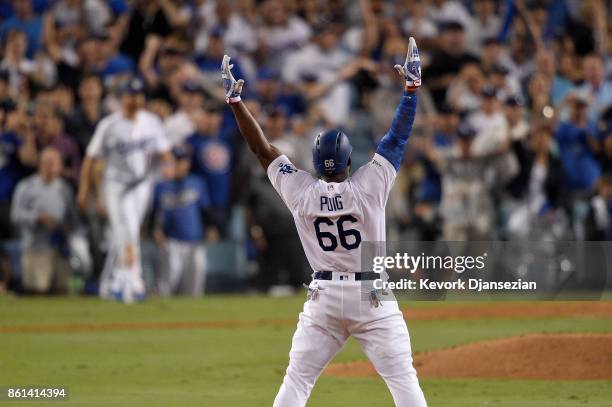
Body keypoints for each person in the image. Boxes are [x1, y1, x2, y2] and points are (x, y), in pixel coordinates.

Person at [221, 36, 426, 407]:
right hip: (372, 294)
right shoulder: (369, 185)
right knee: (403, 381)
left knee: (297, 383)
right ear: (349, 162)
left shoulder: (299, 191)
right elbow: (397, 138)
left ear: (315, 164)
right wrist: (411, 90)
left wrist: (236, 104)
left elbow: (261, 148)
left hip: (325, 298)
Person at [77, 78, 171, 303]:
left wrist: (168, 165)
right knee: (127, 230)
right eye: (130, 94)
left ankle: (111, 283)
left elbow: (164, 151)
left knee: (124, 233)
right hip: (116, 184)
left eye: (139, 94)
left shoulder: (151, 122)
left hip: (141, 185)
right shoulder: (109, 124)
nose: (135, 99)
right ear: (122, 98)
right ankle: (133, 282)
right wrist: (84, 189)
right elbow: (91, 158)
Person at [10, 147, 75, 294]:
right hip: (36, 247)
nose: (50, 166)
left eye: (54, 163)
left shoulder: (64, 188)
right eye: (47, 162)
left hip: (61, 248)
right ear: (40, 164)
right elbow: (15, 215)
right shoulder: (26, 186)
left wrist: (67, 229)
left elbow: (72, 218)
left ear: (60, 166)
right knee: (38, 291)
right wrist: (37, 217)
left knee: (63, 290)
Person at [152, 146, 210, 297]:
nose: (178, 165)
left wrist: (211, 228)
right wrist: (155, 230)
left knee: (195, 285)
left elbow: (206, 211)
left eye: (181, 162)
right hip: (171, 242)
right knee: (167, 284)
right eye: (175, 162)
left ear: (187, 163)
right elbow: (154, 214)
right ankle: (162, 312)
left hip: (195, 242)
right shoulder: (161, 186)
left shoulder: (197, 183)